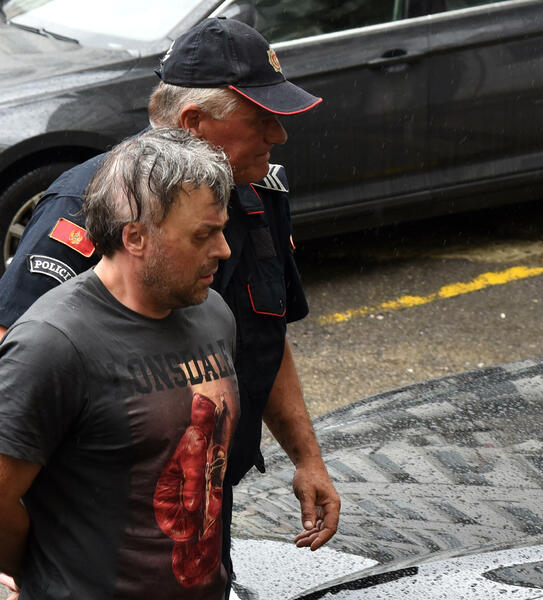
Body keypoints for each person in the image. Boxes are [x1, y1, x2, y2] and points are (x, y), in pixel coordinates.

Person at [0, 12, 340, 566]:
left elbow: (265, 334)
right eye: (261, 120)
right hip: (94, 531)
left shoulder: (257, 195)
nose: (278, 136)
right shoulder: (93, 205)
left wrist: (308, 458)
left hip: (203, 505)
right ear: (193, 123)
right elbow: (15, 373)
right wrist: (18, 568)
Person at [0, 127, 241, 599]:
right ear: (136, 237)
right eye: (203, 235)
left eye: (222, 229)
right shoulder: (54, 343)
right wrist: (46, 576)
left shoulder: (214, 313)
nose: (223, 249)